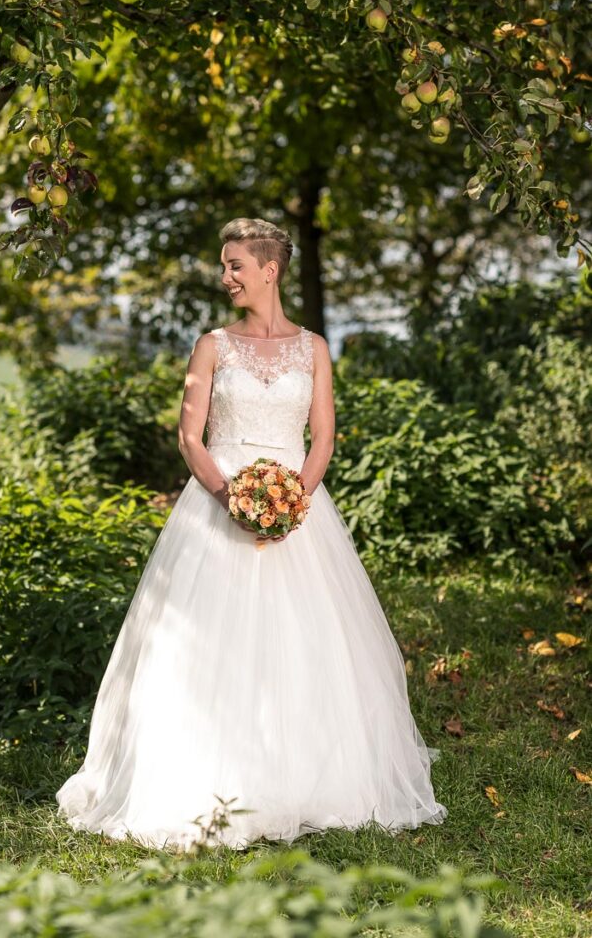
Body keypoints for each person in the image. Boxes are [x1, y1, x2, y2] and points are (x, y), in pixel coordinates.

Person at [56, 216, 448, 850]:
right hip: (216, 503)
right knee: (206, 638)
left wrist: (294, 502)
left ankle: (306, 775)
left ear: (270, 270)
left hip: (298, 510)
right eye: (223, 266)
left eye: (235, 265)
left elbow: (323, 438)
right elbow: (190, 438)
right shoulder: (212, 346)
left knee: (308, 640)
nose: (226, 277)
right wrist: (230, 499)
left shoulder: (314, 349)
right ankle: (208, 774)